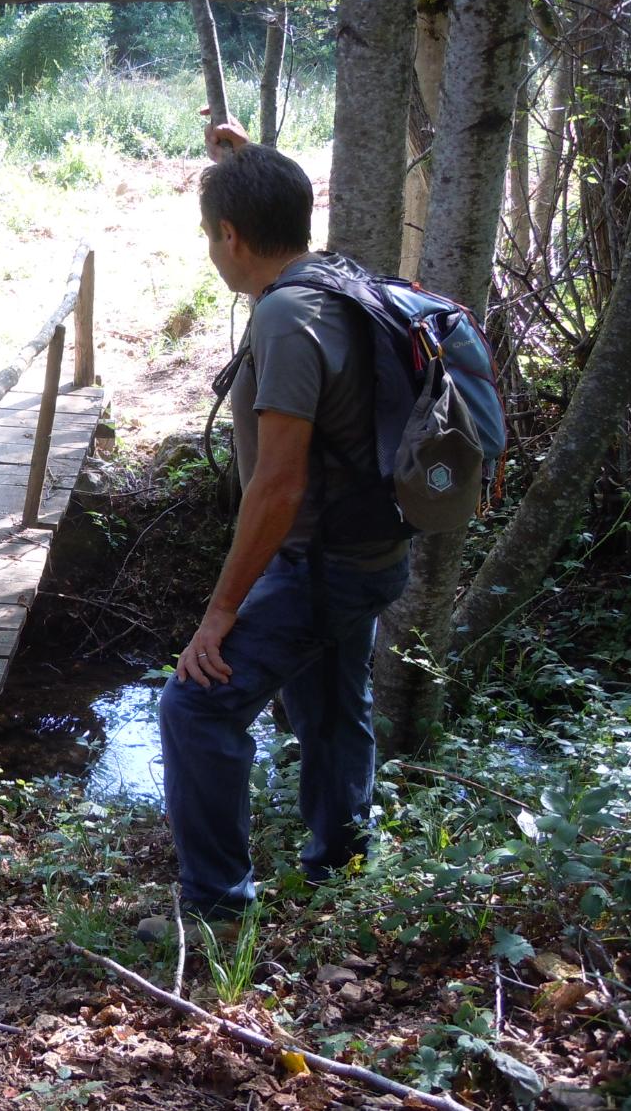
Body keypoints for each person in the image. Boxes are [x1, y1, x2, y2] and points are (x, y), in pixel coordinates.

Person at [152, 127, 410, 928]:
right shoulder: (332, 277)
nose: (211, 250)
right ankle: (341, 863)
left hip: (320, 559)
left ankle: (217, 908)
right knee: (332, 700)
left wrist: (220, 613)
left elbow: (278, 485)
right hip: (376, 548)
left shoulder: (282, 321)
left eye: (212, 234)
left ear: (231, 237)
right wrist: (246, 162)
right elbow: (276, 208)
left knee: (194, 707)